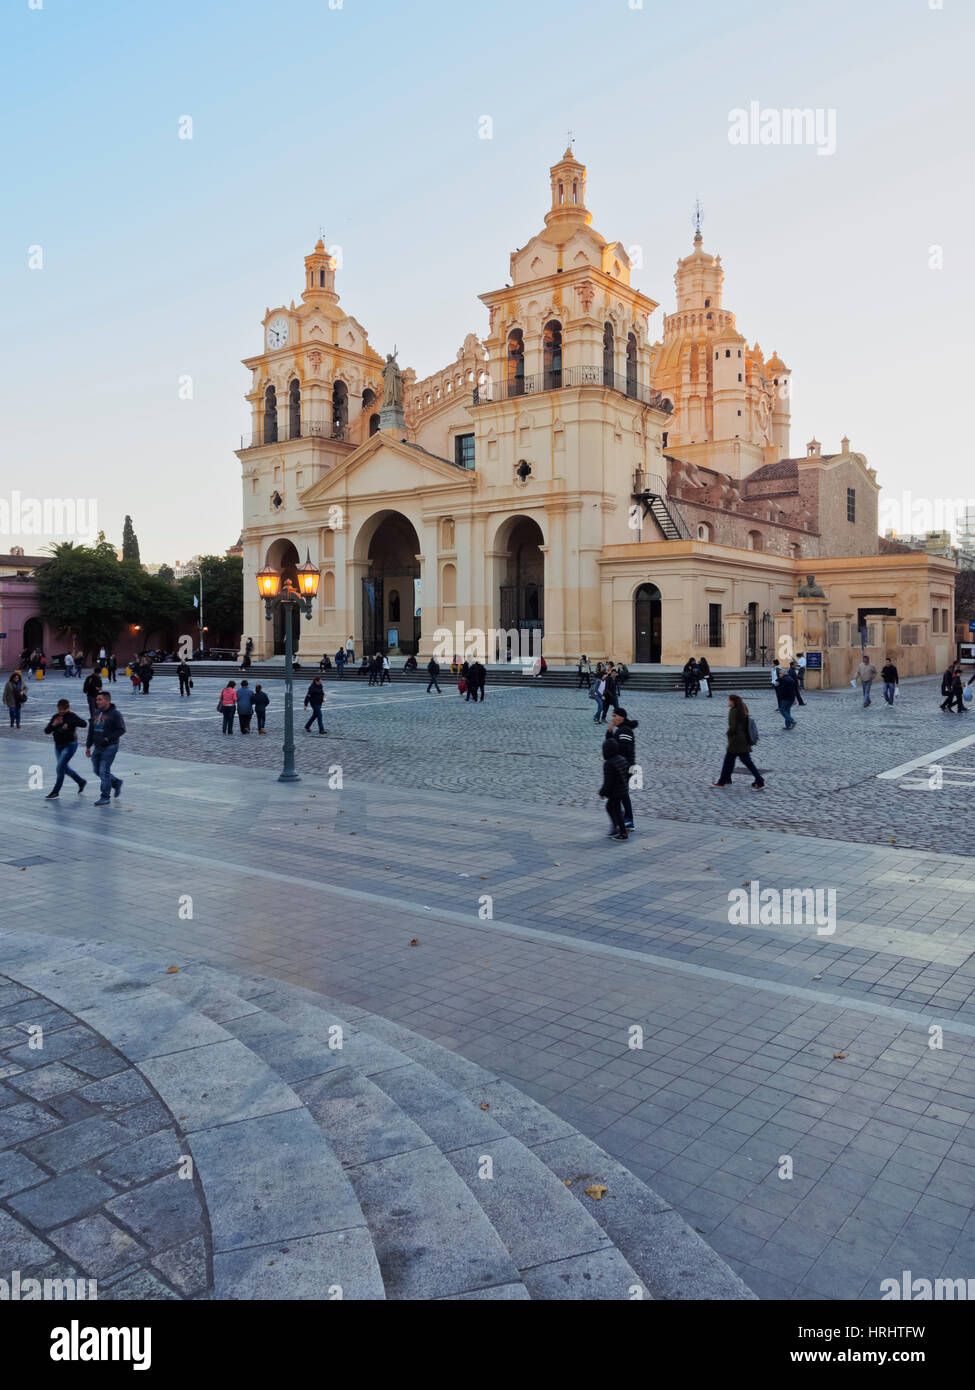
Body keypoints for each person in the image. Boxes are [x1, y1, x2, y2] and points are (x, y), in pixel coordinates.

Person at [712, 694, 765, 790]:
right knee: (732, 761)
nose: (728, 702)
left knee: (732, 762)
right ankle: (725, 779)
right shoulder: (742, 709)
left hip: (735, 742)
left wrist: (728, 733)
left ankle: (759, 780)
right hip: (743, 740)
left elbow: (733, 727)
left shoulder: (733, 711)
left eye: (729, 700)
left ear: (733, 702)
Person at [85, 690, 125, 806]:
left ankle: (105, 796)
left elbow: (121, 729)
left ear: (107, 700)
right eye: (97, 699)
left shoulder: (115, 714)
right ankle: (116, 782)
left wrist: (108, 738)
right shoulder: (96, 713)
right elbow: (91, 730)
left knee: (104, 770)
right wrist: (88, 746)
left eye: (100, 699)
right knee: (97, 770)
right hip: (97, 747)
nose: (97, 702)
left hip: (110, 747)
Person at [43, 699, 88, 798]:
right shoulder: (56, 717)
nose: (61, 712)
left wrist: (70, 723)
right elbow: (46, 731)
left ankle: (56, 791)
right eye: (60, 709)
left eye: (64, 710)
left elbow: (84, 724)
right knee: (65, 768)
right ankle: (81, 781)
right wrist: (53, 725)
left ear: (68, 708)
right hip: (58, 746)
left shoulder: (71, 716)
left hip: (70, 745)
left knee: (60, 767)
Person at [608, 707, 638, 830]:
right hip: (621, 766)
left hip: (625, 767)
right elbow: (609, 748)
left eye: (615, 716)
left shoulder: (625, 731)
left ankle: (626, 820)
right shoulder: (620, 729)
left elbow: (624, 750)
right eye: (612, 715)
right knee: (623, 794)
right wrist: (609, 733)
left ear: (622, 717)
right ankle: (627, 820)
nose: (613, 718)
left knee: (620, 794)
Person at [598, 734, 629, 842]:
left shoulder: (608, 764)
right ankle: (616, 827)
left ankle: (622, 832)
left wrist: (602, 792)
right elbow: (627, 773)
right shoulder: (622, 759)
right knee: (611, 808)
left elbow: (608, 782)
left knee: (616, 810)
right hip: (623, 789)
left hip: (615, 792)